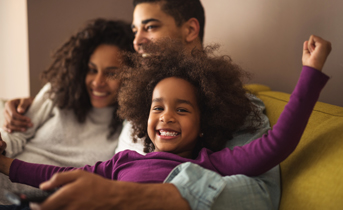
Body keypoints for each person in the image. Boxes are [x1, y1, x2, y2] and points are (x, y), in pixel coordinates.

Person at [1, 1, 284, 209]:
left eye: (150, 27)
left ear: (190, 29)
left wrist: (127, 196)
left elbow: (260, 195)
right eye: (135, 30)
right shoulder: (137, 102)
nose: (136, 42)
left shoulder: (231, 104)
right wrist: (26, 110)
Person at [0, 18, 135, 205]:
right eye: (91, 70)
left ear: (131, 77)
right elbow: (13, 139)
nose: (97, 82)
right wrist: (2, 143)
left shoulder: (129, 129)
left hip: (41, 203)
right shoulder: (58, 94)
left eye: (111, 73)